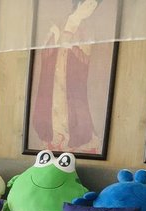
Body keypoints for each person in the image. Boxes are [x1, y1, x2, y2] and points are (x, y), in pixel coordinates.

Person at [32, 0, 101, 154]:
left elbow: (86, 54)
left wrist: (70, 46)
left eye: (94, 6)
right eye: (88, 4)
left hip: (73, 76)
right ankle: (55, 137)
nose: (90, 9)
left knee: (71, 106)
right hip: (54, 72)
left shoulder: (87, 28)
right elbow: (45, 49)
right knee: (53, 103)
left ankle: (71, 137)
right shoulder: (59, 23)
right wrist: (56, 39)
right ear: (79, 3)